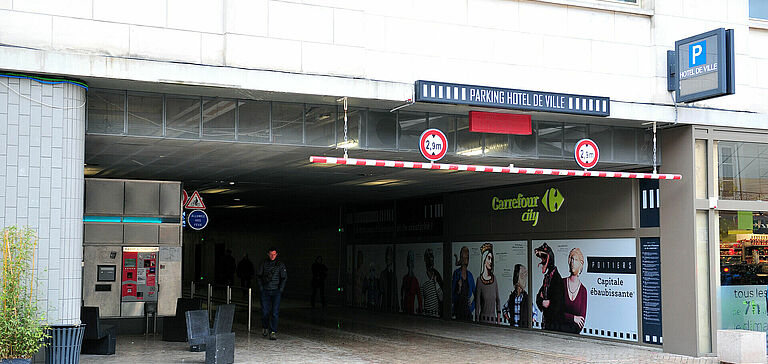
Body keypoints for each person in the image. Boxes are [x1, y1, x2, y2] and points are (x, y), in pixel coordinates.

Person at [257, 247, 287, 340]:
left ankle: (273, 331)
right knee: (265, 312)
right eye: (271, 254)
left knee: (274, 312)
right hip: (265, 291)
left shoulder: (280, 265)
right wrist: (261, 288)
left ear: (276, 254)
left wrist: (280, 289)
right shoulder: (263, 263)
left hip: (276, 291)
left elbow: (284, 277)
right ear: (268, 254)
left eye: (274, 254)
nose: (272, 256)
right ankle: (265, 327)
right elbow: (258, 276)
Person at [534, 243, 565, 332]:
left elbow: (558, 304)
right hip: (547, 323)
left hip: (554, 325)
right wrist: (543, 302)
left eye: (544, 257)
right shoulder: (547, 277)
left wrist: (549, 303)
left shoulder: (557, 279)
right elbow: (538, 297)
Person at [562, 248, 587, 334]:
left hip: (574, 335)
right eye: (571, 259)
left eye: (576, 260)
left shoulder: (583, 291)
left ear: (581, 264)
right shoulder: (561, 284)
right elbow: (555, 312)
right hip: (558, 332)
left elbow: (581, 322)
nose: (573, 262)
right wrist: (573, 318)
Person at [475, 243, 500, 324]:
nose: (490, 261)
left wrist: (499, 319)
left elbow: (498, 300)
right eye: (488, 258)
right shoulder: (479, 280)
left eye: (492, 259)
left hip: (493, 319)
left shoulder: (494, 279)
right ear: (484, 260)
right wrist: (477, 321)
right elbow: (477, 303)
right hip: (483, 319)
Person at [451, 246, 475, 320]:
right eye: (463, 257)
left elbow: (476, 294)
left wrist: (471, 307)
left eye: (467, 257)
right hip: (457, 310)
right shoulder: (456, 273)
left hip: (467, 311)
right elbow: (452, 293)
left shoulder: (470, 275)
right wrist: (458, 289)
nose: (465, 260)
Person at [421, 248, 443, 317]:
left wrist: (436, 283)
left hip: (436, 315)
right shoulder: (423, 280)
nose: (430, 259)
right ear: (425, 259)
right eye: (428, 257)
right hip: (427, 315)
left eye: (431, 256)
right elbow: (421, 299)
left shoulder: (437, 276)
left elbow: (442, 297)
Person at [379, 246, 398, 312]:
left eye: (389, 256)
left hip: (392, 304)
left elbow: (395, 292)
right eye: (387, 256)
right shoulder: (383, 274)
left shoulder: (393, 274)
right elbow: (381, 289)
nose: (388, 258)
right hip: (385, 303)